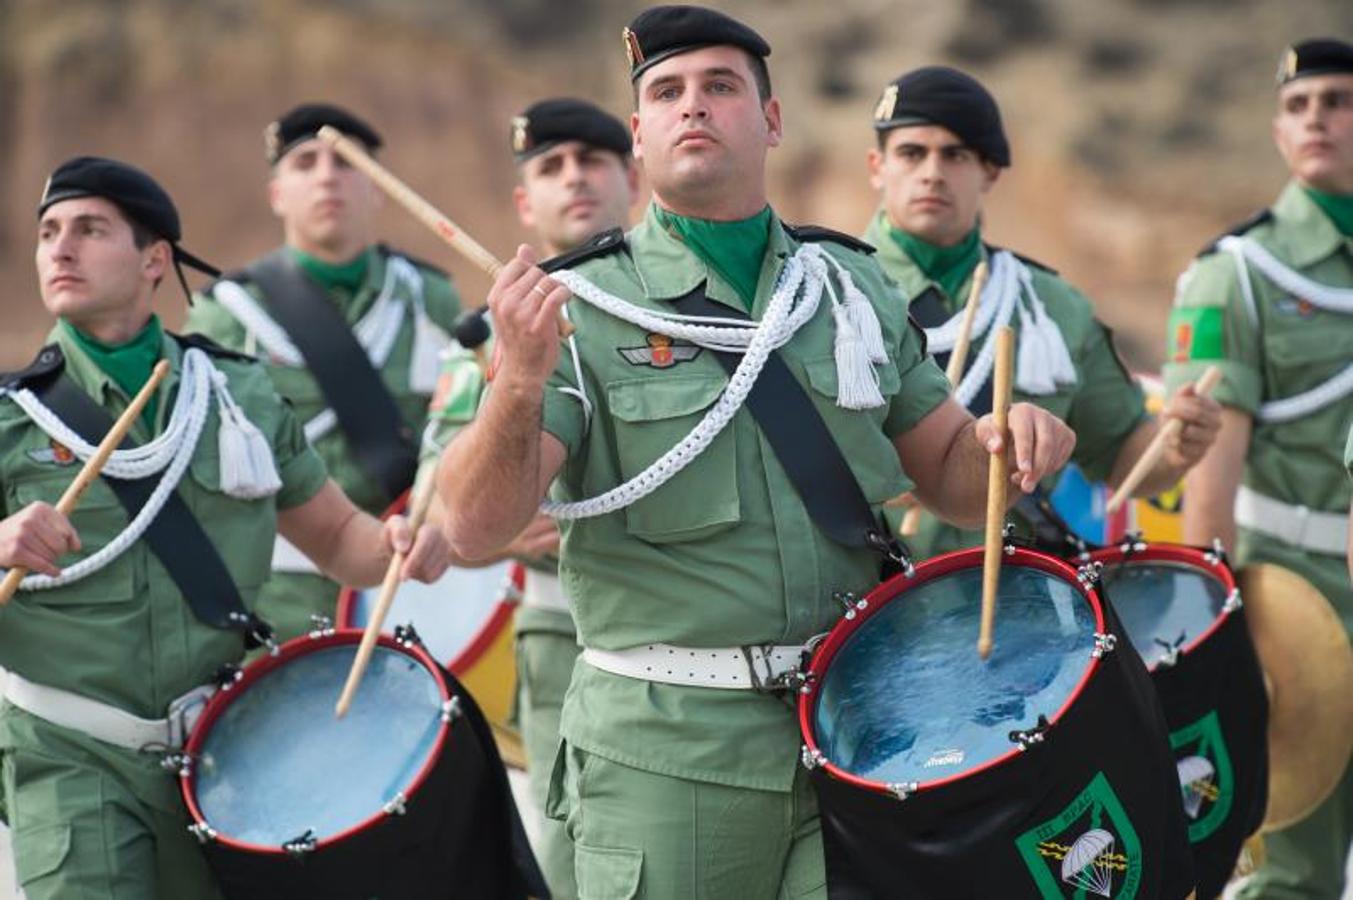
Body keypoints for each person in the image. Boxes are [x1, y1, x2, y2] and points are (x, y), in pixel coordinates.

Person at [436, 7, 1077, 896]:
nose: (692, 107)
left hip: (855, 729)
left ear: (771, 121)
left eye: (720, 87)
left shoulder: (848, 286)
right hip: (666, 757)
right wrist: (514, 384)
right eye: (667, 92)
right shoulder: (576, 304)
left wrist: (1010, 446)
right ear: (640, 136)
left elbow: (954, 482)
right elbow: (471, 530)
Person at [0, 156, 450, 899]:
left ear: (154, 261)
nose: (60, 248)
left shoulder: (236, 393)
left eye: (88, 229)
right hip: (70, 755)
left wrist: (400, 547)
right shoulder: (15, 417)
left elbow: (340, 539)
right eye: (49, 232)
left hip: (222, 757)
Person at [864, 65, 1221, 556]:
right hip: (872, 596)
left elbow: (1123, 457)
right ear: (876, 166)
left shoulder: (1052, 307)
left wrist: (1178, 444)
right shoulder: (831, 295)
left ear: (989, 170)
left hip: (1024, 598)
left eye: (955, 154)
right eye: (910, 153)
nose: (932, 172)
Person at [421, 96, 638, 900]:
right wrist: (503, 526)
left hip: (690, 630)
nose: (574, 178)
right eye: (550, 167)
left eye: (592, 160)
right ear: (524, 203)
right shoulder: (483, 337)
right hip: (557, 628)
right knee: (569, 851)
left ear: (633, 176)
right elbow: (439, 486)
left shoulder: (690, 308)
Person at [1164, 38, 1353, 900]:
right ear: (1277, 131)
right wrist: (1210, 639)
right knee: (1295, 872)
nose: (1315, 117)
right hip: (1300, 601)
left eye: (1337, 100)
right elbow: (1209, 470)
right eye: (1296, 104)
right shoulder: (1234, 274)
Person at [185, 103, 461, 643]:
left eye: (346, 162)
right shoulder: (228, 315)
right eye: (305, 163)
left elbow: (461, 430)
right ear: (276, 194)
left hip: (408, 589)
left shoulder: (429, 297)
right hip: (274, 598)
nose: (327, 176)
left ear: (377, 187)